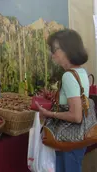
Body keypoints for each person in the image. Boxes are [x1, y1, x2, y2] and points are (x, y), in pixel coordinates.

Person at [36, 29, 89, 172]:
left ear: (68, 49)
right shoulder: (81, 72)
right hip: (79, 136)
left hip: (68, 138)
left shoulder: (68, 76)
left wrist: (49, 114)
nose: (53, 54)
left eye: (55, 49)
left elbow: (75, 116)